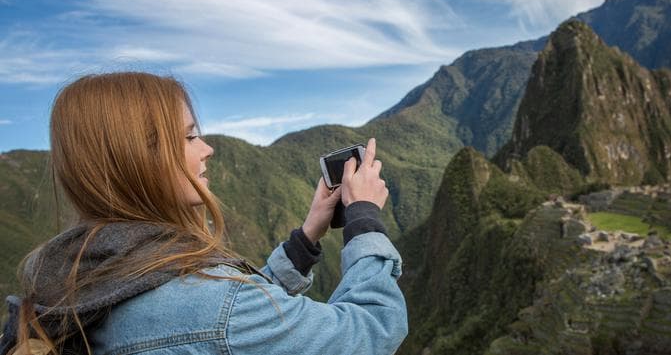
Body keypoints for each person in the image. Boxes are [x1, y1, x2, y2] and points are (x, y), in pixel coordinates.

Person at [0, 72, 407, 355]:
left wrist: (307, 237)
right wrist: (364, 217)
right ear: (140, 157)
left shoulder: (74, 275)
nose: (207, 148)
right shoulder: (214, 307)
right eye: (190, 136)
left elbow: (218, 323)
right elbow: (371, 331)